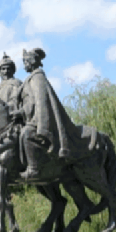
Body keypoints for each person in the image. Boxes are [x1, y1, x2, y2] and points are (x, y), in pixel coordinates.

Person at [12, 48, 96, 181]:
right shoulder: (31, 78)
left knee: (26, 134)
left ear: (32, 62)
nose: (24, 65)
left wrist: (22, 112)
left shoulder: (37, 77)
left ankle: (33, 168)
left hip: (37, 119)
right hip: (29, 117)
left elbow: (38, 102)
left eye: (26, 62)